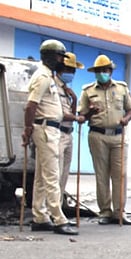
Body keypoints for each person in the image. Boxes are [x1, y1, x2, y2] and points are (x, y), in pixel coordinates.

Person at [22, 39, 78, 235]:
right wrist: (28, 128)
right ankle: (58, 218)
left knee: (40, 176)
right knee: (52, 174)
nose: (61, 61)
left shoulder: (49, 76)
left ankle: (40, 216)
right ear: (51, 56)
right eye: (59, 57)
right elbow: (31, 105)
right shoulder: (44, 77)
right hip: (46, 129)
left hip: (50, 129)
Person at [77, 54, 131, 225]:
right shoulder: (88, 91)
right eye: (99, 71)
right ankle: (104, 211)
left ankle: (119, 212)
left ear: (110, 71)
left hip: (118, 135)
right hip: (98, 135)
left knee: (120, 175)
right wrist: (90, 112)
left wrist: (126, 119)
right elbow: (82, 115)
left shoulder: (122, 88)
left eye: (105, 70)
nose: (102, 73)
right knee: (101, 175)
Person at [55, 51, 83, 198]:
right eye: (68, 69)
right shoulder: (53, 85)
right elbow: (59, 113)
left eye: (73, 70)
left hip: (68, 133)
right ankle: (51, 211)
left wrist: (75, 99)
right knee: (56, 174)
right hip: (57, 133)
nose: (71, 73)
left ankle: (58, 208)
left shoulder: (66, 89)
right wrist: (77, 118)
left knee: (64, 175)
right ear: (60, 68)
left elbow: (70, 112)